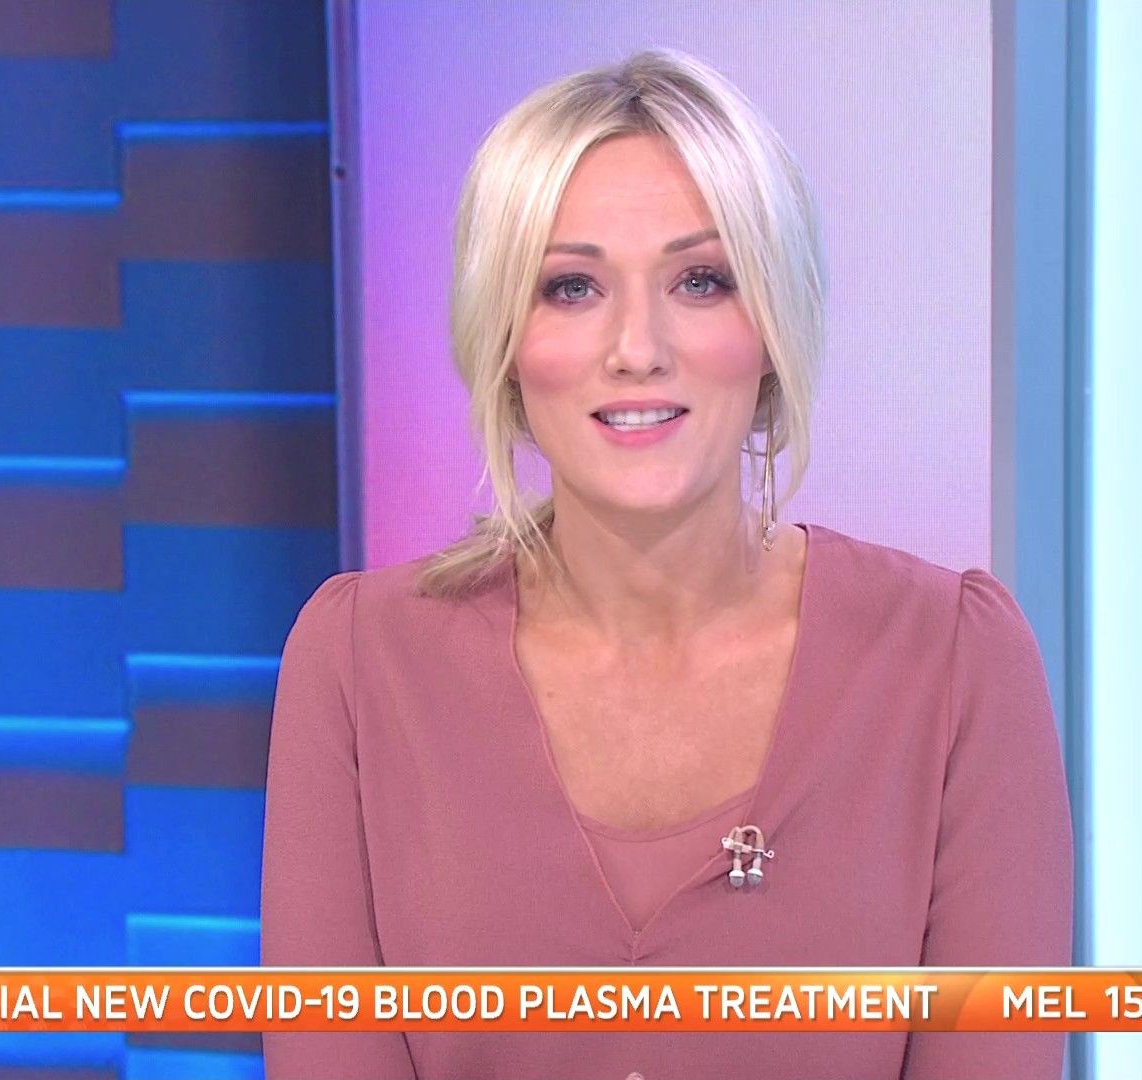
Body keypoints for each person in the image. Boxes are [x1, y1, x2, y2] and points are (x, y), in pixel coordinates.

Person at [261, 47, 1072, 1079]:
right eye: (571, 287)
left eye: (700, 280)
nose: (636, 347)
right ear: (504, 342)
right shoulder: (359, 662)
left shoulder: (953, 663)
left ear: (771, 325)